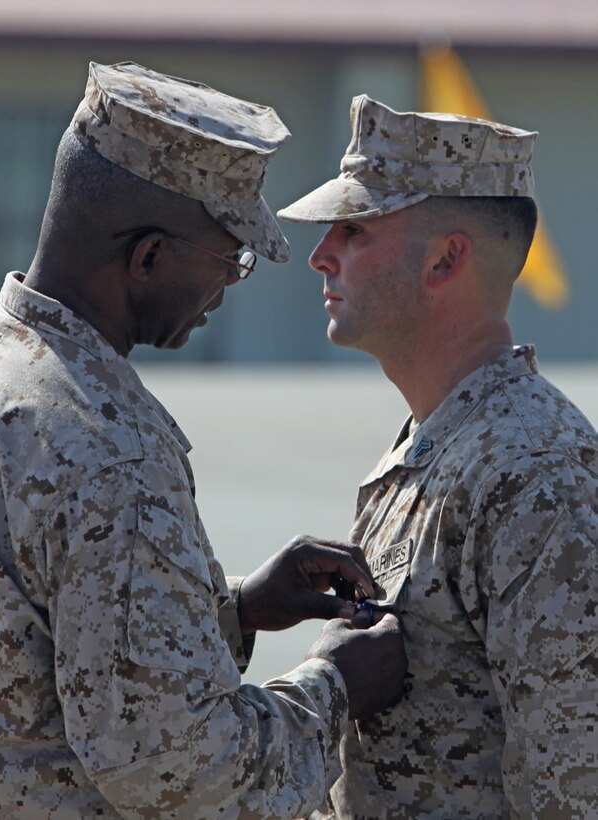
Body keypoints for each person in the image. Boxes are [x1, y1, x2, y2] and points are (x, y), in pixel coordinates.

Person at [0, 64, 407, 819]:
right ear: (148, 258)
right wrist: (334, 684)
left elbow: (25, 636)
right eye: (229, 258)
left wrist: (232, 610)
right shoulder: (108, 449)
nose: (231, 285)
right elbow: (183, 773)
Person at [278, 96, 598, 818]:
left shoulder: (536, 474)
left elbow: (573, 787)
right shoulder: (433, 449)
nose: (321, 254)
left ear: (447, 258)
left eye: (354, 229)